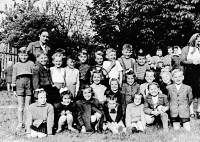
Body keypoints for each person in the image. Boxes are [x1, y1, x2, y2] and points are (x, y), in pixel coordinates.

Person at [11, 47, 34, 131]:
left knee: (28, 105)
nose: (23, 57)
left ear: (28, 55)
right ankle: (20, 123)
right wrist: (14, 90)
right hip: (19, 85)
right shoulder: (16, 65)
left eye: (25, 55)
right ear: (18, 55)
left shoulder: (31, 63)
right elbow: (13, 77)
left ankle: (28, 122)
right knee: (20, 105)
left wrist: (34, 87)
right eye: (21, 55)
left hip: (29, 84)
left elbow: (34, 76)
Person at [181, 33, 200, 118]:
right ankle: (191, 111)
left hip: (199, 72)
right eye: (197, 39)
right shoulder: (186, 49)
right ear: (193, 39)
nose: (198, 41)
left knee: (199, 92)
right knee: (190, 92)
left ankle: (199, 110)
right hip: (190, 72)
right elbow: (182, 61)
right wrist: (192, 62)